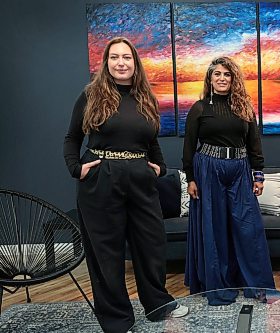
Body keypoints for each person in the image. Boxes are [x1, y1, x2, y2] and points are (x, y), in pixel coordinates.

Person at [63, 37, 188, 333]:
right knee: (107, 252)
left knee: (151, 244)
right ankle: (117, 319)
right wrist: (76, 168)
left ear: (135, 63)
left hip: (140, 179)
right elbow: (72, 139)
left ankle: (158, 304)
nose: (121, 63)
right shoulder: (91, 95)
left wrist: (160, 167)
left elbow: (151, 139)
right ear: (106, 63)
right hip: (100, 178)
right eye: (115, 57)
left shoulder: (145, 96)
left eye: (127, 58)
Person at [182, 56, 275, 305]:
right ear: (210, 79)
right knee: (215, 228)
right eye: (217, 74)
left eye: (227, 74)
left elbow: (254, 143)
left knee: (248, 227)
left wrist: (258, 174)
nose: (222, 78)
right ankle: (218, 286)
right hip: (208, 170)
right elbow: (189, 147)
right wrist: (190, 179)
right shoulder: (199, 108)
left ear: (233, 79)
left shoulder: (244, 108)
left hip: (240, 170)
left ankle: (256, 285)